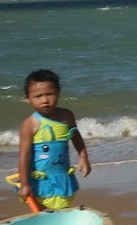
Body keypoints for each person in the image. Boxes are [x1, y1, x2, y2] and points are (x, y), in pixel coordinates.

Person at [12, 69, 89, 210]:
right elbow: (24, 155)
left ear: (58, 93)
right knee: (42, 213)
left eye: (50, 94)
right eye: (38, 96)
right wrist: (24, 184)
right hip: (40, 179)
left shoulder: (66, 116)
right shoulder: (30, 123)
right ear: (28, 98)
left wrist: (83, 157)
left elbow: (76, 137)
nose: (45, 100)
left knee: (62, 208)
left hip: (61, 176)